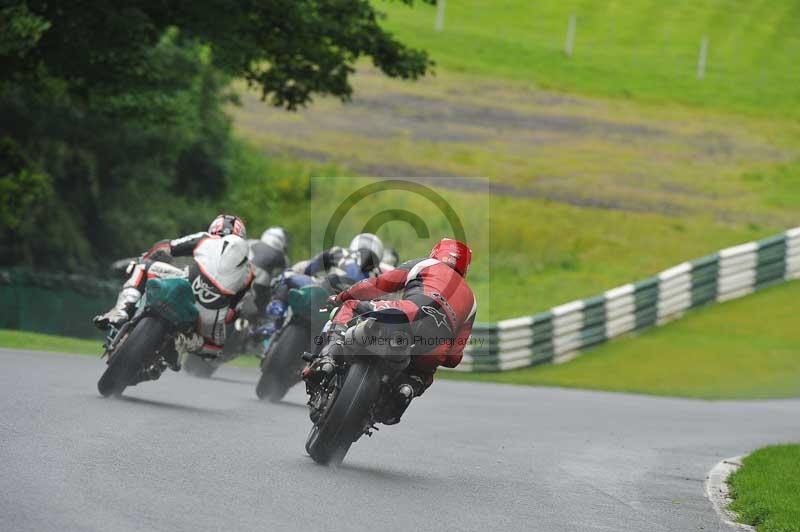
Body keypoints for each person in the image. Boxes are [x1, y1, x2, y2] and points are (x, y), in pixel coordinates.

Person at [306, 238, 476, 424]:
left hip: (407, 313)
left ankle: (328, 358)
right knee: (423, 373)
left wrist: (341, 297)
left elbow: (379, 285)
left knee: (351, 306)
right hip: (434, 345)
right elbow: (454, 357)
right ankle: (405, 390)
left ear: (436, 252)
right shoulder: (472, 301)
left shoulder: (425, 264)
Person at [93, 214, 253, 367]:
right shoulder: (249, 271)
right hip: (212, 315)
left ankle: (121, 310)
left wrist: (145, 257)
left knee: (142, 267)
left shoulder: (205, 238)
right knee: (214, 350)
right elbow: (232, 310)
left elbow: (165, 247)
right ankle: (184, 342)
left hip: (186, 284)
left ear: (214, 228)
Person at [259, 233, 385, 337]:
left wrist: (298, 273)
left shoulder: (340, 252)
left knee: (287, 275)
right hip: (350, 310)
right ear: (379, 253)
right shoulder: (379, 274)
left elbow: (309, 267)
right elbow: (380, 303)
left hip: (325, 291)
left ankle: (274, 316)